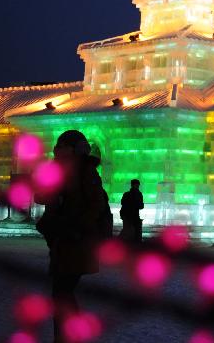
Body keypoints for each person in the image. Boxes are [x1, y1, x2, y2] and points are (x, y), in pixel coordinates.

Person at [35, 130, 111, 343]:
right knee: (61, 293)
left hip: (77, 240)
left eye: (63, 146)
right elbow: (40, 195)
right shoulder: (56, 169)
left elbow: (97, 203)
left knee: (61, 292)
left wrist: (80, 227)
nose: (59, 150)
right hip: (60, 239)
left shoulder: (85, 171)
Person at [119, 179, 144, 244]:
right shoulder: (139, 194)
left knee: (126, 230)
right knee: (134, 232)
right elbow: (141, 206)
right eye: (138, 185)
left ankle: (121, 243)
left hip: (127, 215)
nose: (138, 186)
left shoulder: (126, 194)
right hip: (134, 215)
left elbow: (122, 203)